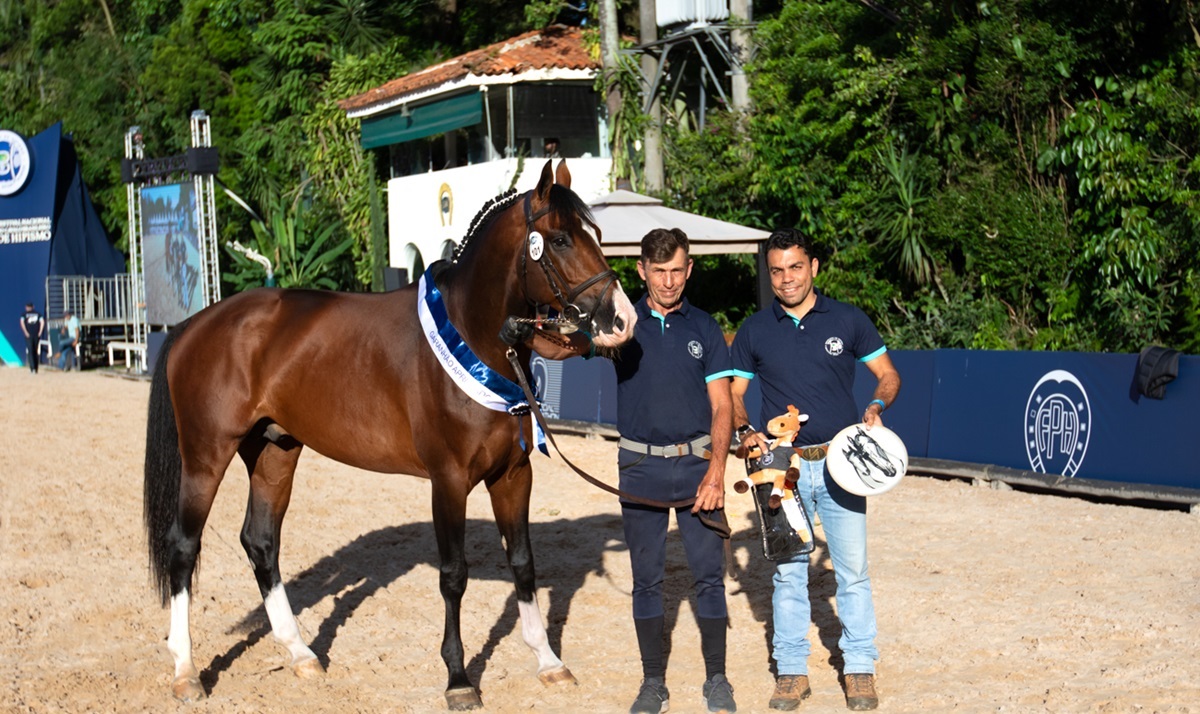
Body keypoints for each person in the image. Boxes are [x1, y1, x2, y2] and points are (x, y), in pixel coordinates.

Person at [730, 228, 901, 712]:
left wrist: (875, 404)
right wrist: (746, 431)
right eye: (777, 270)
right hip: (781, 469)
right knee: (788, 573)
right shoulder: (754, 330)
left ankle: (860, 669)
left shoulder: (848, 319)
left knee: (852, 573)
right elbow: (736, 396)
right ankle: (791, 673)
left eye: (795, 267)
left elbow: (888, 375)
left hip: (842, 464)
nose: (786, 279)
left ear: (815, 267)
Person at [610, 228, 737, 714]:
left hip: (697, 467)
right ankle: (652, 682)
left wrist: (716, 471)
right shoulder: (622, 323)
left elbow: (722, 405)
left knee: (709, 577)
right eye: (659, 272)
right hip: (638, 466)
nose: (668, 282)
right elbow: (569, 341)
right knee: (647, 580)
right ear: (641, 271)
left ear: (690, 269)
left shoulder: (705, 327)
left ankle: (717, 679)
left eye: (677, 271)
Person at [19, 302, 45, 374]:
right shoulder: (37, 314)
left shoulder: (25, 314)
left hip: (32, 335)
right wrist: (39, 332)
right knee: (33, 351)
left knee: (32, 351)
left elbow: (22, 323)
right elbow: (42, 322)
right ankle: (34, 368)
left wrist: (26, 332)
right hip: (33, 334)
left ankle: (34, 368)